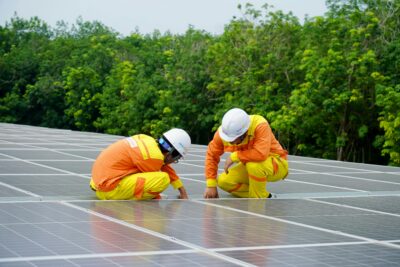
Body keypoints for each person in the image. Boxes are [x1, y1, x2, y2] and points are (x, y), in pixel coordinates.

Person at [203, 108, 288, 199]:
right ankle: (266, 197)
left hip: (277, 164)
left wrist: (234, 156)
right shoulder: (223, 133)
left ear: (244, 132)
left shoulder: (259, 125)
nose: (230, 142)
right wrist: (211, 185)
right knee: (223, 181)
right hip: (250, 165)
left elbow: (261, 154)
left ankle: (258, 200)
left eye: (234, 139)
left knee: (253, 165)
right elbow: (211, 155)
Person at [90, 128, 191, 200]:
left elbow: (164, 165)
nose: (174, 162)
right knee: (163, 179)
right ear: (171, 154)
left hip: (97, 182)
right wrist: (156, 197)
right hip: (108, 189)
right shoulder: (153, 158)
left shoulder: (147, 140)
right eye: (176, 159)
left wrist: (181, 189)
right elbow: (161, 171)